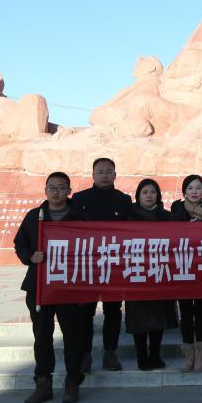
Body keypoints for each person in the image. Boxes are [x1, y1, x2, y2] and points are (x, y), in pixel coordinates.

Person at [13, 171, 85, 403]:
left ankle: (72, 383)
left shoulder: (80, 217)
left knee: (72, 337)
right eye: (52, 188)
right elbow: (20, 243)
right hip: (39, 285)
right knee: (42, 336)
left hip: (69, 285)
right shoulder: (35, 216)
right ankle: (43, 384)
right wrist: (29, 256)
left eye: (61, 188)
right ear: (45, 190)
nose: (56, 192)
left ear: (69, 191)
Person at [72, 157, 133, 373]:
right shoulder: (79, 199)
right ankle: (85, 354)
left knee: (113, 311)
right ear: (93, 175)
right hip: (88, 265)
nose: (104, 175)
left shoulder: (124, 200)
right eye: (100, 172)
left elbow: (130, 231)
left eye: (108, 171)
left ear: (115, 175)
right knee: (85, 311)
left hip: (114, 264)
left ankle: (110, 353)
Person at [126, 179, 178, 371]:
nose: (149, 196)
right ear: (138, 196)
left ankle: (155, 355)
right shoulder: (129, 217)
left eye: (153, 192)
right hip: (137, 271)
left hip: (159, 271)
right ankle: (142, 357)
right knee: (138, 318)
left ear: (158, 195)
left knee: (159, 315)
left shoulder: (167, 217)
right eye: (145, 192)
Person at [171, 174, 202, 372]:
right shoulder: (176, 209)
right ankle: (188, 353)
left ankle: (200, 354)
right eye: (190, 188)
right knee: (185, 311)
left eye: (198, 188)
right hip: (183, 265)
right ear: (184, 191)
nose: (194, 191)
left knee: (200, 311)